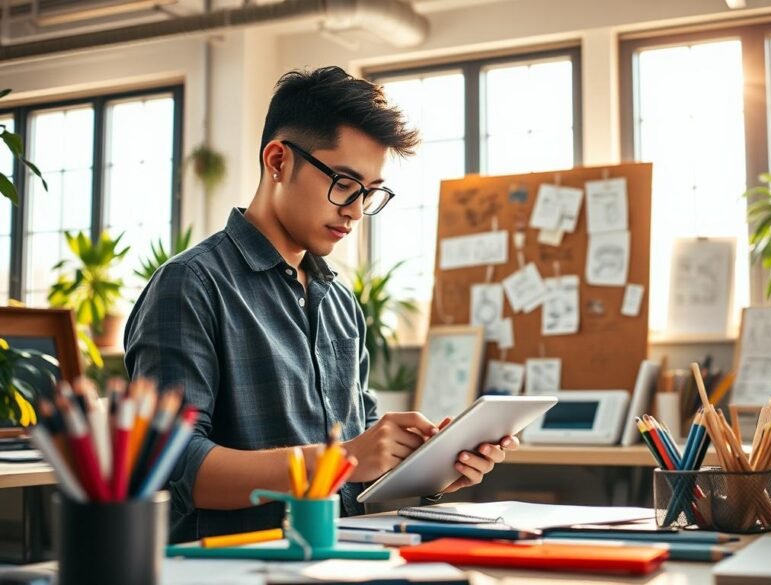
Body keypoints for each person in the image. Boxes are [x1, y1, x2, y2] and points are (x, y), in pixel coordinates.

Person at [124, 66, 519, 542]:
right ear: (278, 161)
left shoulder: (340, 302)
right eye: (345, 183)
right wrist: (345, 458)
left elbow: (358, 474)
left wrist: (431, 470)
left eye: (370, 193)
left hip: (342, 559)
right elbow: (172, 466)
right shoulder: (191, 284)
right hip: (231, 568)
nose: (355, 209)